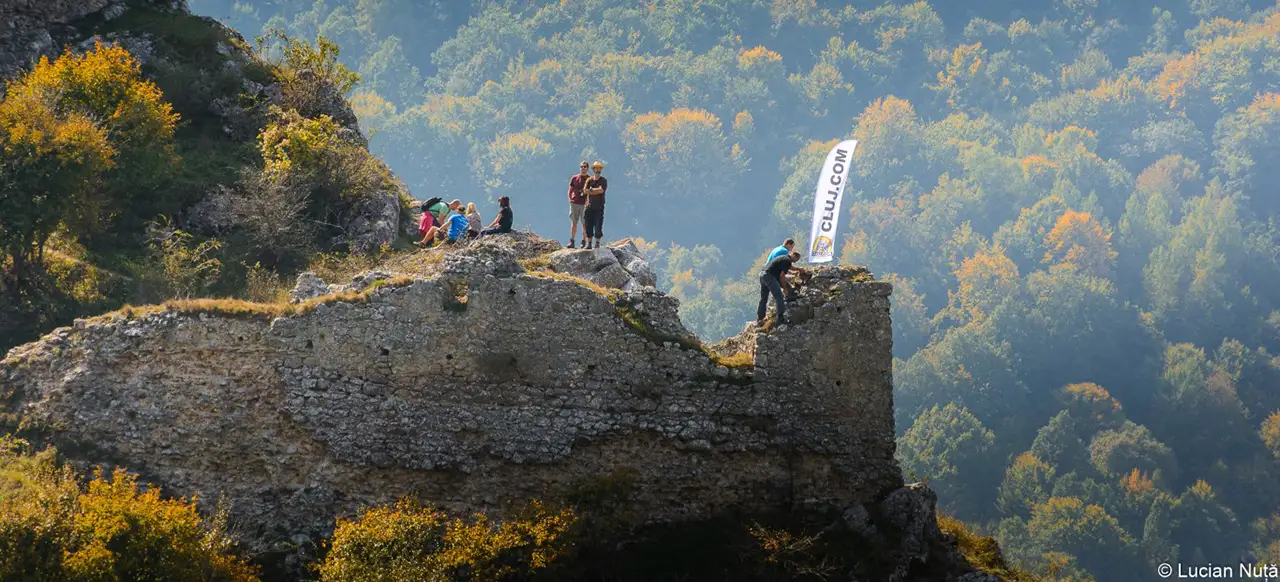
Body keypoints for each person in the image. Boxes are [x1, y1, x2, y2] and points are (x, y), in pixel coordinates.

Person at [758, 251, 801, 326]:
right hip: (769, 276)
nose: (795, 261)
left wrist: (799, 269)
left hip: (762, 274)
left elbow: (790, 268)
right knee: (779, 297)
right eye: (796, 259)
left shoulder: (783, 258)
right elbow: (782, 276)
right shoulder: (787, 261)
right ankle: (780, 319)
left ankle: (760, 318)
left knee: (764, 298)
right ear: (794, 256)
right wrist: (785, 289)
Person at [582, 161, 608, 249]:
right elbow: (585, 191)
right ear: (593, 169)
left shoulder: (603, 180)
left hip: (599, 207)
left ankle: (597, 243)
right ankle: (589, 243)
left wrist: (591, 190)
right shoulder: (589, 180)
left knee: (598, 225)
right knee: (588, 225)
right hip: (589, 206)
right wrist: (595, 191)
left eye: (599, 168)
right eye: (596, 168)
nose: (598, 170)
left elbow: (601, 190)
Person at [567, 161, 589, 248]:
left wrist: (589, 202)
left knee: (585, 224)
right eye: (581, 166)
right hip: (574, 203)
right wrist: (570, 199)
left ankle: (584, 241)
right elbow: (570, 189)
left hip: (584, 204)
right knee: (574, 223)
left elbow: (591, 192)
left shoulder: (589, 179)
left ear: (587, 168)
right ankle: (572, 241)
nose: (583, 168)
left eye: (584, 166)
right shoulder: (574, 178)